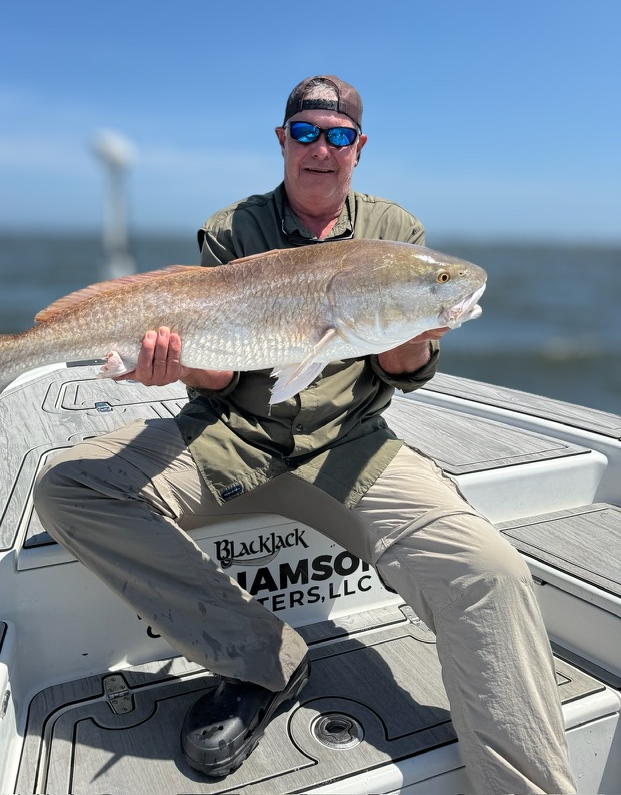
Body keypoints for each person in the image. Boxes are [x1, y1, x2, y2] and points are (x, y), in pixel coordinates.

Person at [34, 75, 576, 793]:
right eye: (307, 133)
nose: (322, 148)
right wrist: (176, 366)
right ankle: (262, 657)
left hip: (350, 445)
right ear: (283, 141)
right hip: (230, 434)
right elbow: (222, 375)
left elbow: (403, 370)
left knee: (490, 571)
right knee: (70, 487)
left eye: (339, 136)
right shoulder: (233, 229)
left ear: (359, 146)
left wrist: (418, 324)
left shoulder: (394, 235)